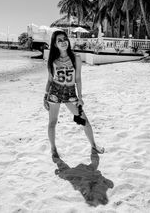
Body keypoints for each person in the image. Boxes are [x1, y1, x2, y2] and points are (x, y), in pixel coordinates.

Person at [43, 30, 104, 158]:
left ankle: (93, 145)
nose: (63, 42)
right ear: (55, 44)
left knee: (84, 121)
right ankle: (53, 149)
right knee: (52, 122)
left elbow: (78, 79)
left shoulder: (75, 58)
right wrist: (45, 96)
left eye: (64, 39)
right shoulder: (52, 60)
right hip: (54, 92)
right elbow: (49, 80)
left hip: (71, 93)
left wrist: (80, 97)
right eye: (59, 40)